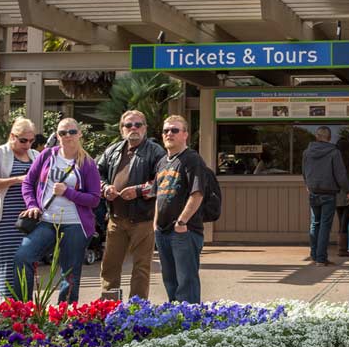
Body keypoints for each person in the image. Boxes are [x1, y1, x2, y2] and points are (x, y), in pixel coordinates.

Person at [11, 118, 101, 304]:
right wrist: (32, 205)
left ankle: (64, 315)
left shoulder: (88, 164)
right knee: (23, 256)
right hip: (46, 220)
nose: (67, 136)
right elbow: (28, 182)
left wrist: (68, 192)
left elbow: (94, 199)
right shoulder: (47, 156)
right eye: (62, 133)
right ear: (57, 135)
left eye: (72, 132)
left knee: (70, 273)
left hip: (75, 224)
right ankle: (22, 309)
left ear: (80, 134)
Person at [96, 109, 165, 301]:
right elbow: (96, 174)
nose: (133, 128)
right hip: (116, 219)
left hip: (143, 220)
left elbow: (163, 181)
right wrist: (105, 187)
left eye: (138, 125)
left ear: (145, 128)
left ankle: (137, 311)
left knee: (141, 268)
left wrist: (139, 190)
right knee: (110, 266)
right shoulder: (112, 150)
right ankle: (109, 308)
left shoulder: (155, 151)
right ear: (121, 129)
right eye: (128, 125)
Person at [0, 117, 40, 296]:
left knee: (24, 261)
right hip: (2, 219)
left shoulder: (35, 156)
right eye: (23, 140)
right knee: (4, 263)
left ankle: (22, 306)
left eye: (31, 140)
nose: (27, 144)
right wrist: (17, 180)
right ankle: (0, 305)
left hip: (27, 221)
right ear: (12, 136)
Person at [153, 114, 207, 303]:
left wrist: (182, 221)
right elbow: (158, 194)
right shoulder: (162, 162)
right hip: (162, 231)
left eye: (175, 130)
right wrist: (155, 225)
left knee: (186, 282)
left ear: (185, 134)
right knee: (170, 281)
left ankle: (191, 326)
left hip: (184, 231)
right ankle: (176, 322)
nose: (169, 134)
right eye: (166, 130)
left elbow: (197, 193)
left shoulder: (192, 159)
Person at [302, 125, 349, 266]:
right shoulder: (334, 152)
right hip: (329, 193)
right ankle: (321, 258)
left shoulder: (307, 152)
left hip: (313, 191)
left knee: (314, 223)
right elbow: (340, 175)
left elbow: (304, 171)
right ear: (329, 138)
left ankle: (314, 255)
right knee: (324, 225)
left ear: (317, 136)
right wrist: (348, 190)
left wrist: (308, 184)